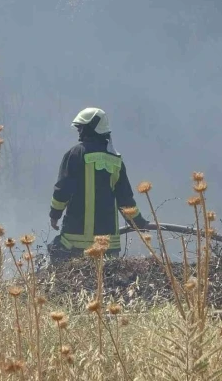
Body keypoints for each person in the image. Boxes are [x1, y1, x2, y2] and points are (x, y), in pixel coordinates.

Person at [48, 107, 150, 264]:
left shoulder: (75, 154)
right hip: (108, 246)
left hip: (76, 242)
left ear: (91, 128)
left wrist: (55, 215)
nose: (79, 132)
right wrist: (138, 223)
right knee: (104, 284)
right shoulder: (115, 160)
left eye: (81, 128)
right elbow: (126, 199)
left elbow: (63, 189)